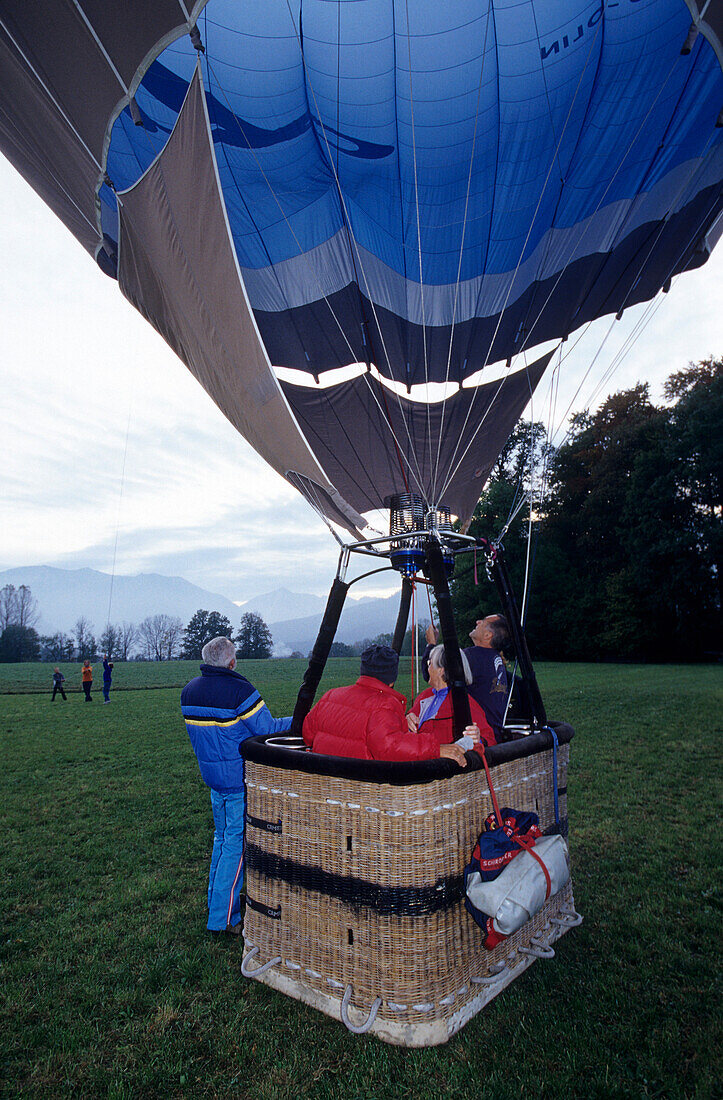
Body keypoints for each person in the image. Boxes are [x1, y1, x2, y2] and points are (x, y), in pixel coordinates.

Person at [181, 636, 292, 936]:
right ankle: (224, 918)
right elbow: (267, 729)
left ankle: (216, 903)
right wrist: (301, 720)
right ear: (231, 662)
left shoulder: (189, 691)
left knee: (221, 841)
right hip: (238, 781)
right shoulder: (239, 691)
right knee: (235, 846)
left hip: (214, 780)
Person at [302, 643, 473, 765]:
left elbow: (308, 733)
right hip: (363, 788)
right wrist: (436, 749)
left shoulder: (331, 695)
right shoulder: (385, 705)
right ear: (392, 679)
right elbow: (390, 747)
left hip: (326, 784)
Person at [423, 615, 510, 738]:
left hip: (478, 734)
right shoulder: (496, 659)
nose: (477, 621)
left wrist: (431, 644)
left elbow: (433, 675)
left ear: (487, 636)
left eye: (483, 622)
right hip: (492, 733)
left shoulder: (473, 657)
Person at [408, 645, 496, 748]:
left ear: (441, 670)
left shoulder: (463, 702)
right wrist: (407, 719)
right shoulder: (424, 697)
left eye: (429, 663)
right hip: (417, 757)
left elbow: (489, 740)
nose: (427, 669)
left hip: (440, 761)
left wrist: (479, 739)